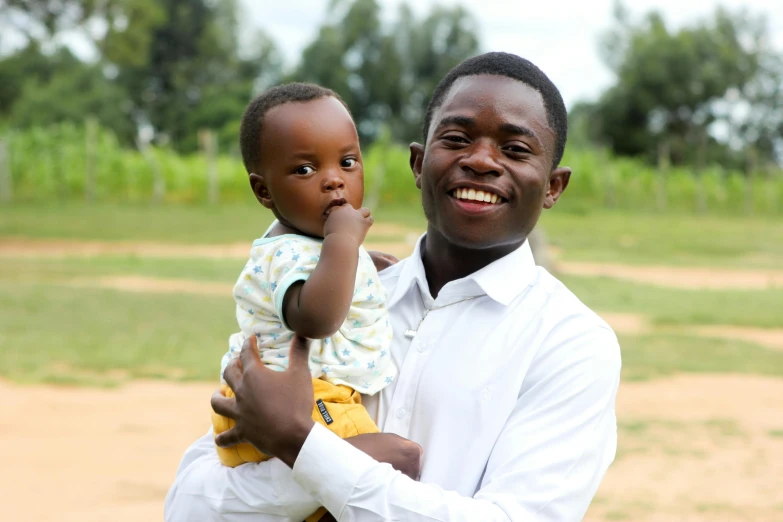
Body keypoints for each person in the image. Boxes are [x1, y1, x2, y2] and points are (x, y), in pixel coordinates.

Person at [165, 52, 621, 521]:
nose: (481, 160)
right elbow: (191, 505)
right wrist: (303, 455)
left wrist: (302, 447)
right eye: (457, 138)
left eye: (516, 149)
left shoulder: (572, 344)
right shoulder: (343, 297)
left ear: (553, 187)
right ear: (419, 163)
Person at [211, 82, 418, 521]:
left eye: (347, 162)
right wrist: (344, 243)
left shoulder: (309, 246)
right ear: (264, 192)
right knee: (398, 459)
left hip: (302, 401)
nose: (333, 180)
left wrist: (358, 261)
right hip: (290, 405)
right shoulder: (286, 252)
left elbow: (323, 271)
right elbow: (318, 317)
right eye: (305, 170)